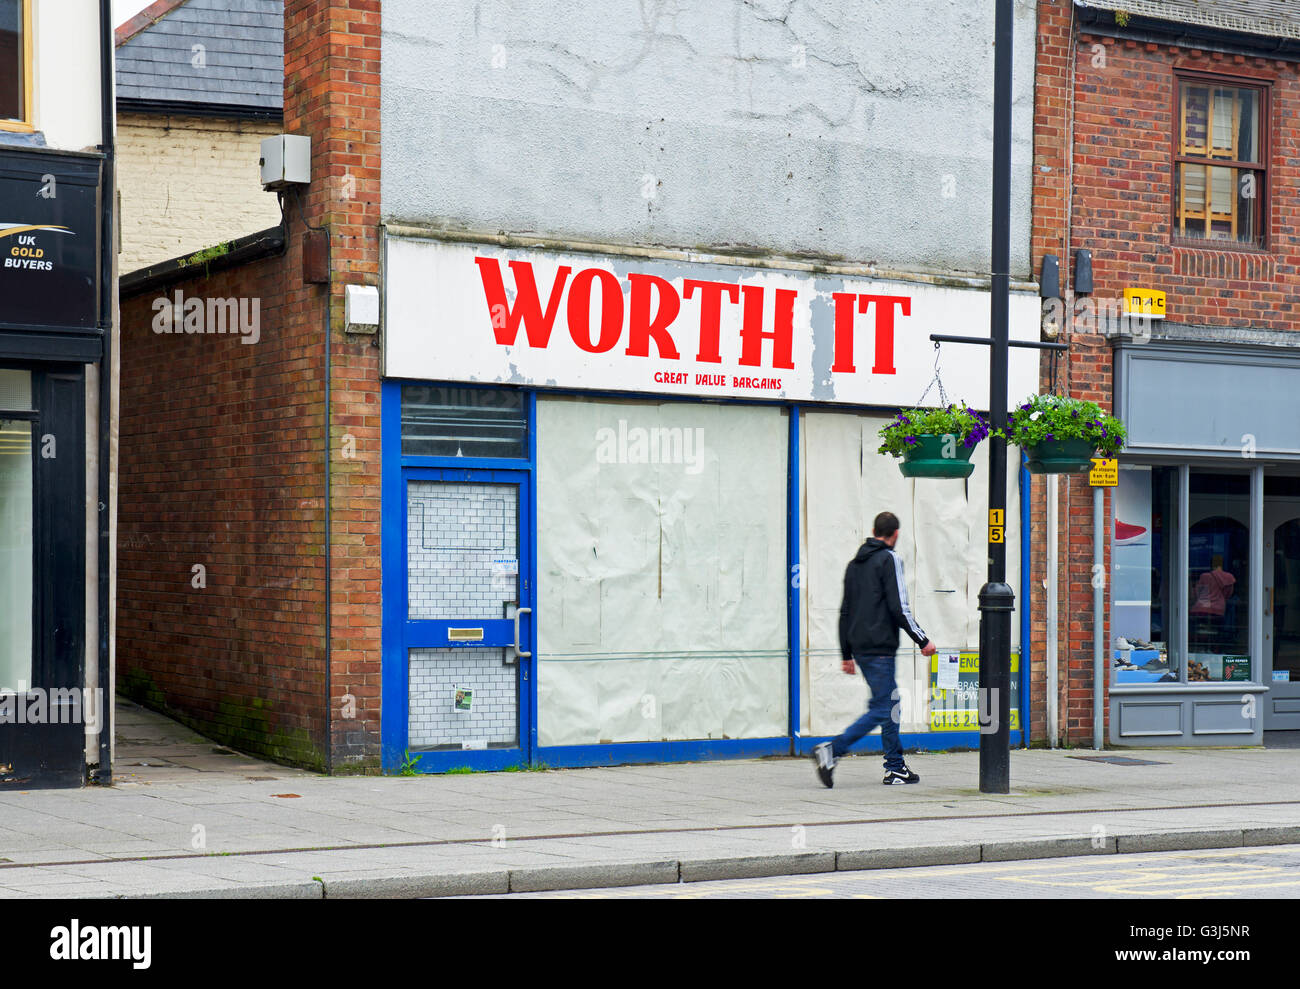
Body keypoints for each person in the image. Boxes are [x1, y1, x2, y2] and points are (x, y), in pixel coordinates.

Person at [813, 511, 936, 787]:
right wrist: (922, 640)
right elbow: (899, 607)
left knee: (889, 704)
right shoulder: (889, 559)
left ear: (873, 530)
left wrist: (846, 653)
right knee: (884, 708)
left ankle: (895, 767)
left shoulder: (854, 565)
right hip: (880, 648)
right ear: (895, 535)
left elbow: (845, 611)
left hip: (861, 647)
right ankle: (832, 751)